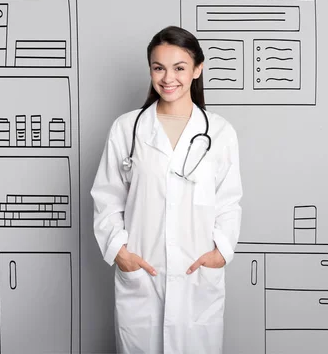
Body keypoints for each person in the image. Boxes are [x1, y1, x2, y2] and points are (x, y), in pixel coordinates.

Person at [91, 25, 243, 354]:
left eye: (179, 68)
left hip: (195, 275)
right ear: (150, 70)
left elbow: (229, 202)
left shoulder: (219, 132)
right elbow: (106, 199)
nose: (168, 78)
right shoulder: (127, 128)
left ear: (197, 69)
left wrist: (221, 253)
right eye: (159, 67)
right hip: (143, 274)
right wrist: (121, 253)